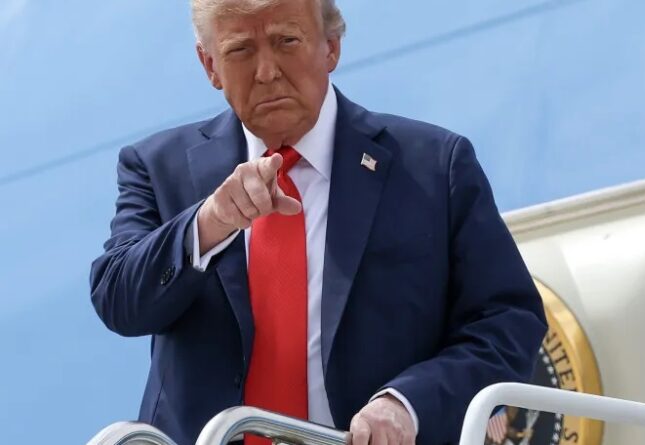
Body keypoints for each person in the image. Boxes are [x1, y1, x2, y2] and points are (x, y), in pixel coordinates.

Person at [89, 0, 547, 444]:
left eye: (286, 41)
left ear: (331, 46)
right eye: (240, 50)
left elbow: (507, 322)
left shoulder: (433, 167)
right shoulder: (157, 168)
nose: (266, 71)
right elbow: (119, 300)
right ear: (210, 65)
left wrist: (407, 404)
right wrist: (208, 223)